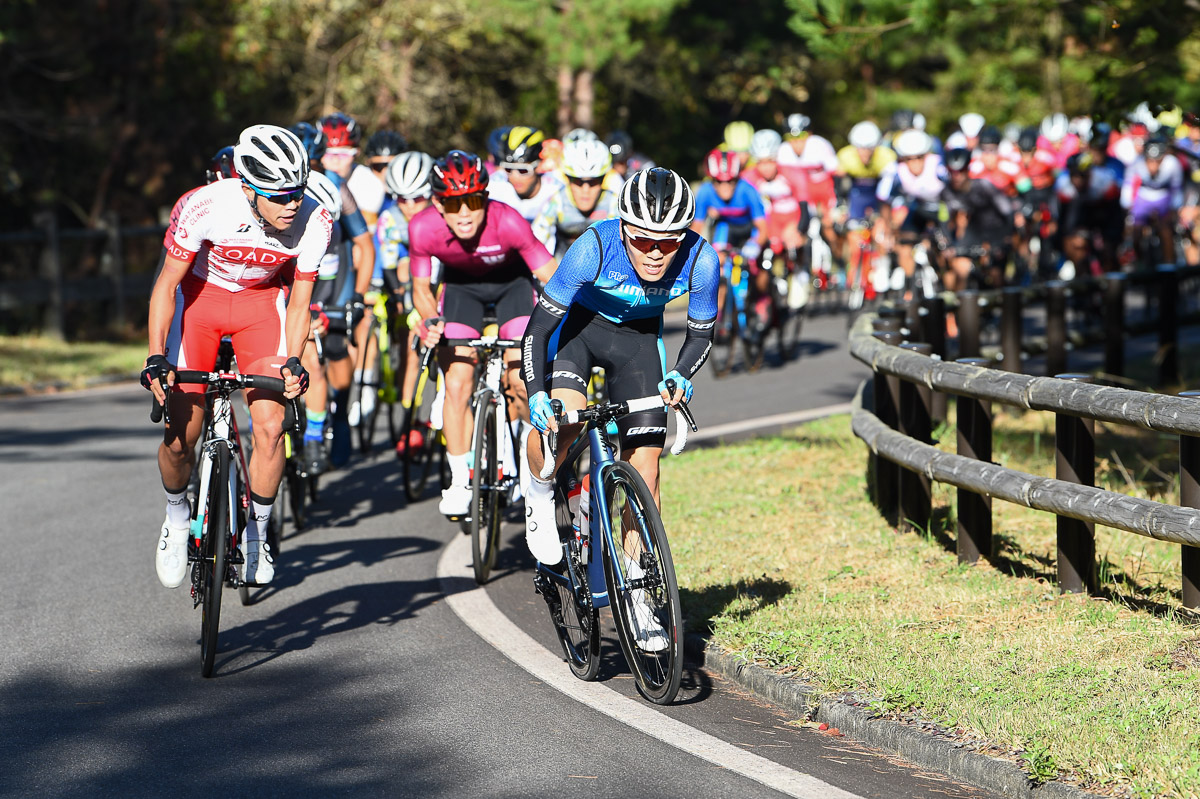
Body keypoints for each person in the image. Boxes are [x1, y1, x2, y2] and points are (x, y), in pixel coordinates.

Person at [519, 167, 718, 648]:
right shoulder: (594, 246)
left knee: (645, 469)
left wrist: (681, 377)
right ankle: (539, 488)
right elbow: (538, 330)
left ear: (685, 235)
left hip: (638, 345)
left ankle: (640, 593)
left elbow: (700, 334)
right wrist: (537, 394)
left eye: (669, 241)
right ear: (624, 227)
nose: (655, 251)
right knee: (563, 425)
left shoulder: (702, 259)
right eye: (643, 238)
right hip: (578, 335)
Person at [142, 124, 332, 588]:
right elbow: (166, 286)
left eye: (298, 191)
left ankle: (258, 532)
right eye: (280, 194)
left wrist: (293, 361)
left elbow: (301, 302)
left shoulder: (316, 219)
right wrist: (155, 356)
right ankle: (176, 515)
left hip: (259, 308)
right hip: (199, 302)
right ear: (248, 188)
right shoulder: (203, 205)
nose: (293, 203)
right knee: (179, 435)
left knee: (271, 428)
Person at [408, 150, 556, 517]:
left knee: (520, 378)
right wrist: (430, 321)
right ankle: (460, 480)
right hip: (462, 292)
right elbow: (421, 289)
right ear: (438, 204)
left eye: (473, 202)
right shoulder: (422, 228)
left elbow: (550, 275)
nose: (464, 214)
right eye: (453, 204)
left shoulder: (508, 221)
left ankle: (527, 455)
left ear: (485, 199)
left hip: (513, 289)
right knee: (457, 381)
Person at [531, 138, 620, 258]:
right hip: (562, 266)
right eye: (577, 181)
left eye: (593, 182)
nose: (585, 190)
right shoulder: (558, 201)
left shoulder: (614, 203)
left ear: (603, 179)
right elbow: (535, 243)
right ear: (567, 179)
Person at [486, 126, 564, 225]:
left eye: (523, 170)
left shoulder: (557, 190)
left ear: (539, 165)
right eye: (508, 169)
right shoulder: (493, 189)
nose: (515, 176)